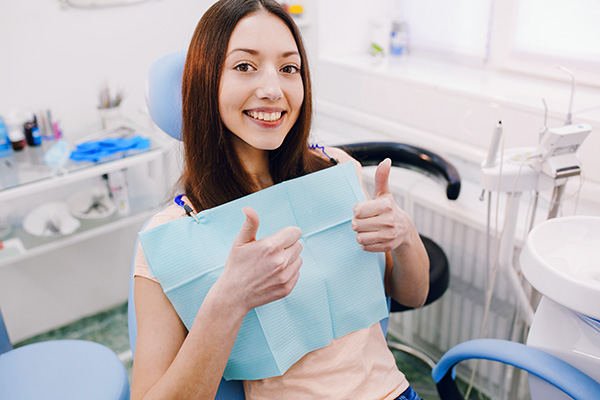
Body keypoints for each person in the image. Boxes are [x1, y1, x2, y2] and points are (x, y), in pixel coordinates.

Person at [131, 0, 429, 399]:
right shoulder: (172, 235)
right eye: (244, 66)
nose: (273, 89)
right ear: (205, 83)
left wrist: (404, 234)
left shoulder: (335, 169)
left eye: (289, 68)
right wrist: (229, 300)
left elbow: (413, 294)